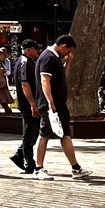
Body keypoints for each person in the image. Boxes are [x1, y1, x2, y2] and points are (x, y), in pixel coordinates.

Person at [34, 33, 84, 178]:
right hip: (51, 105)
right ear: (63, 46)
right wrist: (50, 102)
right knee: (44, 135)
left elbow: (62, 77)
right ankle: (39, 168)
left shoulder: (55, 58)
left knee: (65, 134)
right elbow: (45, 80)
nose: (69, 53)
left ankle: (76, 168)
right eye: (68, 50)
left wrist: (68, 63)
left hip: (58, 105)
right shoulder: (48, 58)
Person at [10, 39, 43, 173]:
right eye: (36, 49)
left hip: (33, 103)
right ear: (28, 49)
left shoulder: (30, 62)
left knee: (34, 132)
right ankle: (29, 163)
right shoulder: (23, 62)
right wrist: (32, 104)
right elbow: (24, 84)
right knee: (29, 133)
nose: (37, 52)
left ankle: (20, 154)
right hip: (28, 104)